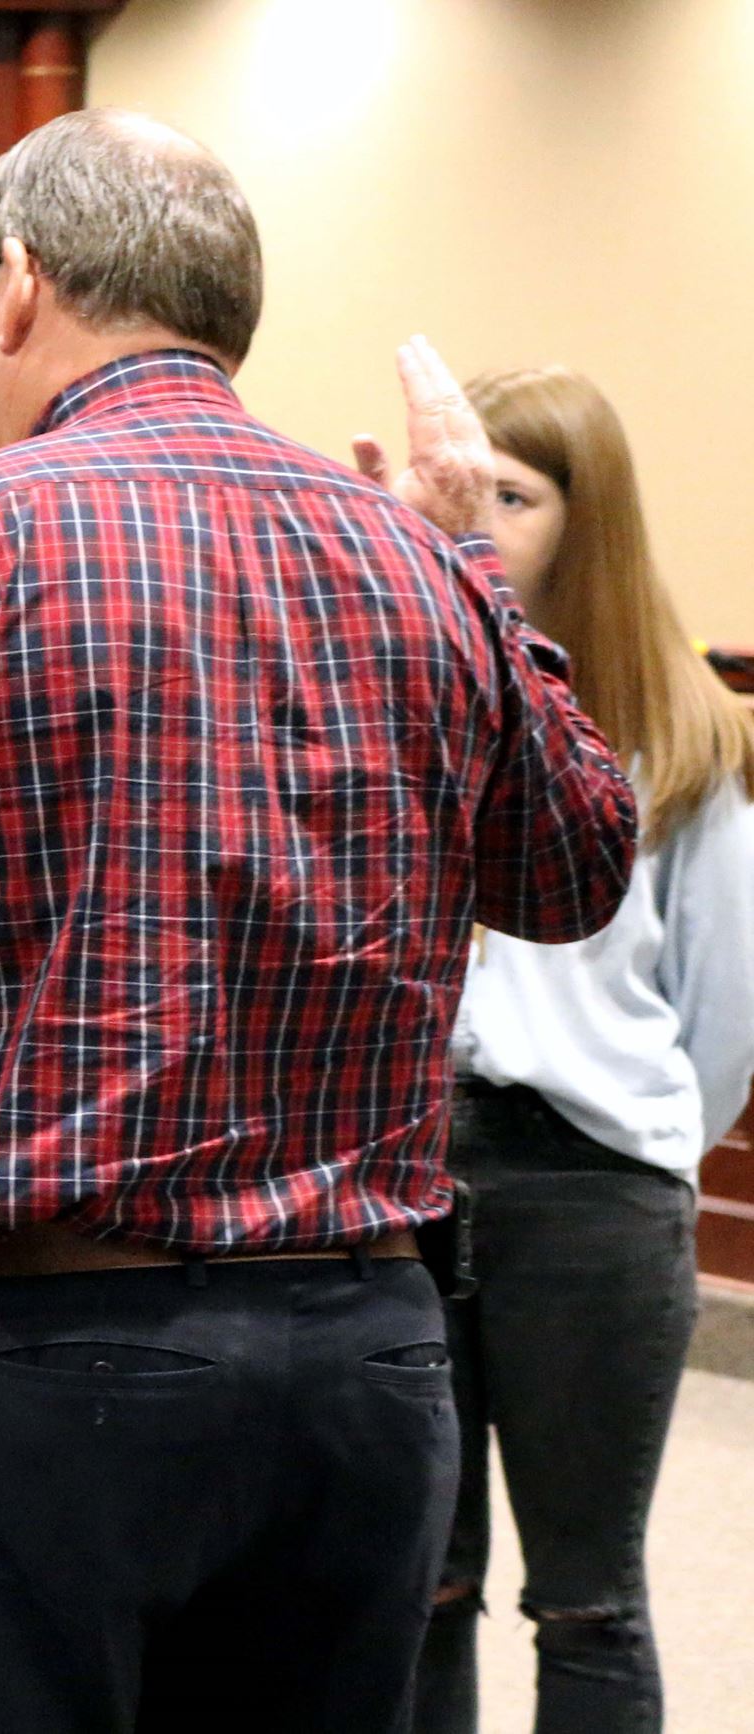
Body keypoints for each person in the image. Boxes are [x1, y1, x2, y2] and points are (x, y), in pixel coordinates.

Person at [0, 109, 640, 1734]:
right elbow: (574, 878)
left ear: (13, 292)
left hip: (34, 1359)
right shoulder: (422, 569)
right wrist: (474, 562)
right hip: (366, 1370)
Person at [409, 366, 754, 1734]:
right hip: (417, 1180)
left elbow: (720, 1023)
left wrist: (628, 1129)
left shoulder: (688, 733)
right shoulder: (418, 683)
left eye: (514, 493)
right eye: (466, 484)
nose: (479, 515)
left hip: (595, 1194)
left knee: (589, 1599)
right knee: (418, 1579)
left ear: (585, 515)